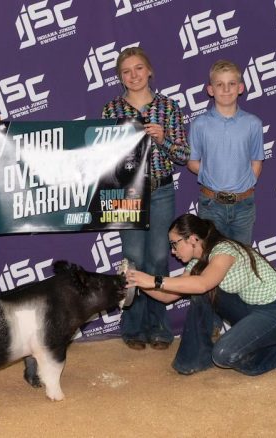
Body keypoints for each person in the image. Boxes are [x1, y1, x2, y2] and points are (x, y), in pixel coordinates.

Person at [125, 214, 276, 376]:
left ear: (192, 239)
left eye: (174, 244)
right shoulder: (197, 263)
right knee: (196, 290)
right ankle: (195, 360)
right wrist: (138, 282)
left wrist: (154, 280)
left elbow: (202, 284)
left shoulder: (224, 251)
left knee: (223, 355)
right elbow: (168, 296)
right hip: (250, 310)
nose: (172, 251)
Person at [102, 47, 190, 351]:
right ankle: (133, 325)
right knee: (133, 259)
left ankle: (159, 325)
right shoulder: (112, 110)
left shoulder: (168, 107)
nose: (134, 76)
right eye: (126, 71)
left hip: (161, 189)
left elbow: (183, 155)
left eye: (139, 68)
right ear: (120, 77)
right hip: (127, 193)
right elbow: (102, 159)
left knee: (158, 258)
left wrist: (163, 139)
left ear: (149, 70)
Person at [188, 59, 264, 245]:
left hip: (244, 204)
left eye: (231, 84)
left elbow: (257, 161)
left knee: (243, 259)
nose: (226, 89)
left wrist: (246, 186)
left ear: (240, 88)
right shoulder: (200, 124)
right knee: (213, 258)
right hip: (211, 204)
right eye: (219, 84)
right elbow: (192, 161)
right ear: (210, 90)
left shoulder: (253, 123)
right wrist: (210, 174)